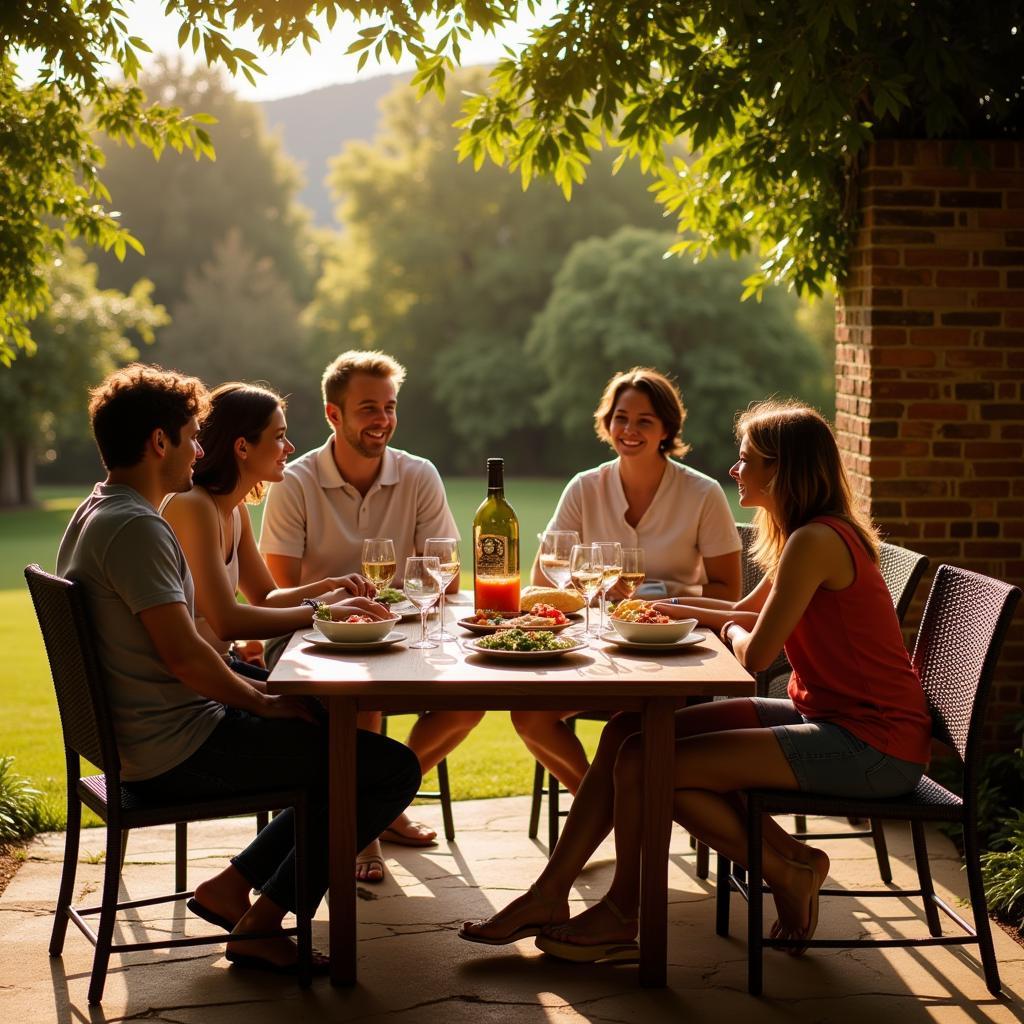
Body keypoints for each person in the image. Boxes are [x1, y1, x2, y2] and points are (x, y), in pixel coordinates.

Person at [460, 399, 931, 960]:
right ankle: (551, 893)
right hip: (827, 717)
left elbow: (754, 652)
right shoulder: (808, 535)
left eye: (746, 459)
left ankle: (654, 903)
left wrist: (728, 628)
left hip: (872, 745)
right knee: (625, 736)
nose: (736, 470)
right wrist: (660, 607)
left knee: (648, 762)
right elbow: (744, 610)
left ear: (781, 470)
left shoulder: (816, 542)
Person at [57, 364, 421, 975]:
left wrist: (270, 684)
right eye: (193, 435)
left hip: (155, 733)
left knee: (337, 739)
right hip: (174, 748)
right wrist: (262, 702)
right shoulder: (137, 528)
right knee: (384, 767)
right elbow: (187, 653)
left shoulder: (99, 512)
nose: (199, 449)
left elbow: (195, 646)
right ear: (159, 442)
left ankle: (235, 889)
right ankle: (261, 921)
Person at [259, 349, 483, 882]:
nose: (382, 420)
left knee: (469, 703)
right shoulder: (295, 481)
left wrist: (393, 606)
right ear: (334, 415)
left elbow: (448, 577)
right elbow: (281, 589)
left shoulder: (418, 474)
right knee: (363, 699)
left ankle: (378, 802)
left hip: (403, 632)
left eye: (389, 406)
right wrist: (342, 608)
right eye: (368, 408)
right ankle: (368, 830)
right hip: (309, 639)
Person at [514, 367, 742, 795]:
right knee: (528, 717)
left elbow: (729, 591)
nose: (629, 429)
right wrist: (594, 592)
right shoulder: (584, 487)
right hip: (600, 652)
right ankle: (607, 807)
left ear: (666, 429)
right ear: (607, 422)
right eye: (621, 417)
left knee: (633, 729)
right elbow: (545, 574)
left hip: (675, 653)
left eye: (644, 420)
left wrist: (655, 596)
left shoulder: (703, 493)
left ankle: (607, 812)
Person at [161, 381, 382, 682]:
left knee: (335, 703)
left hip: (222, 670)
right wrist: (328, 608)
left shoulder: (234, 510)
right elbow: (227, 622)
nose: (289, 447)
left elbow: (264, 597)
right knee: (327, 713)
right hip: (197, 688)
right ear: (242, 447)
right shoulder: (194, 506)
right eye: (279, 437)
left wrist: (326, 586)